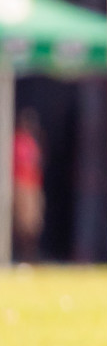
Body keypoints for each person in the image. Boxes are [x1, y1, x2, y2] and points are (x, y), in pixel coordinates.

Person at [13, 108, 44, 263]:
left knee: (34, 224)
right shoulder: (16, 141)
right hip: (21, 187)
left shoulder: (32, 142)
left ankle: (30, 256)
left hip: (33, 187)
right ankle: (20, 256)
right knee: (21, 224)